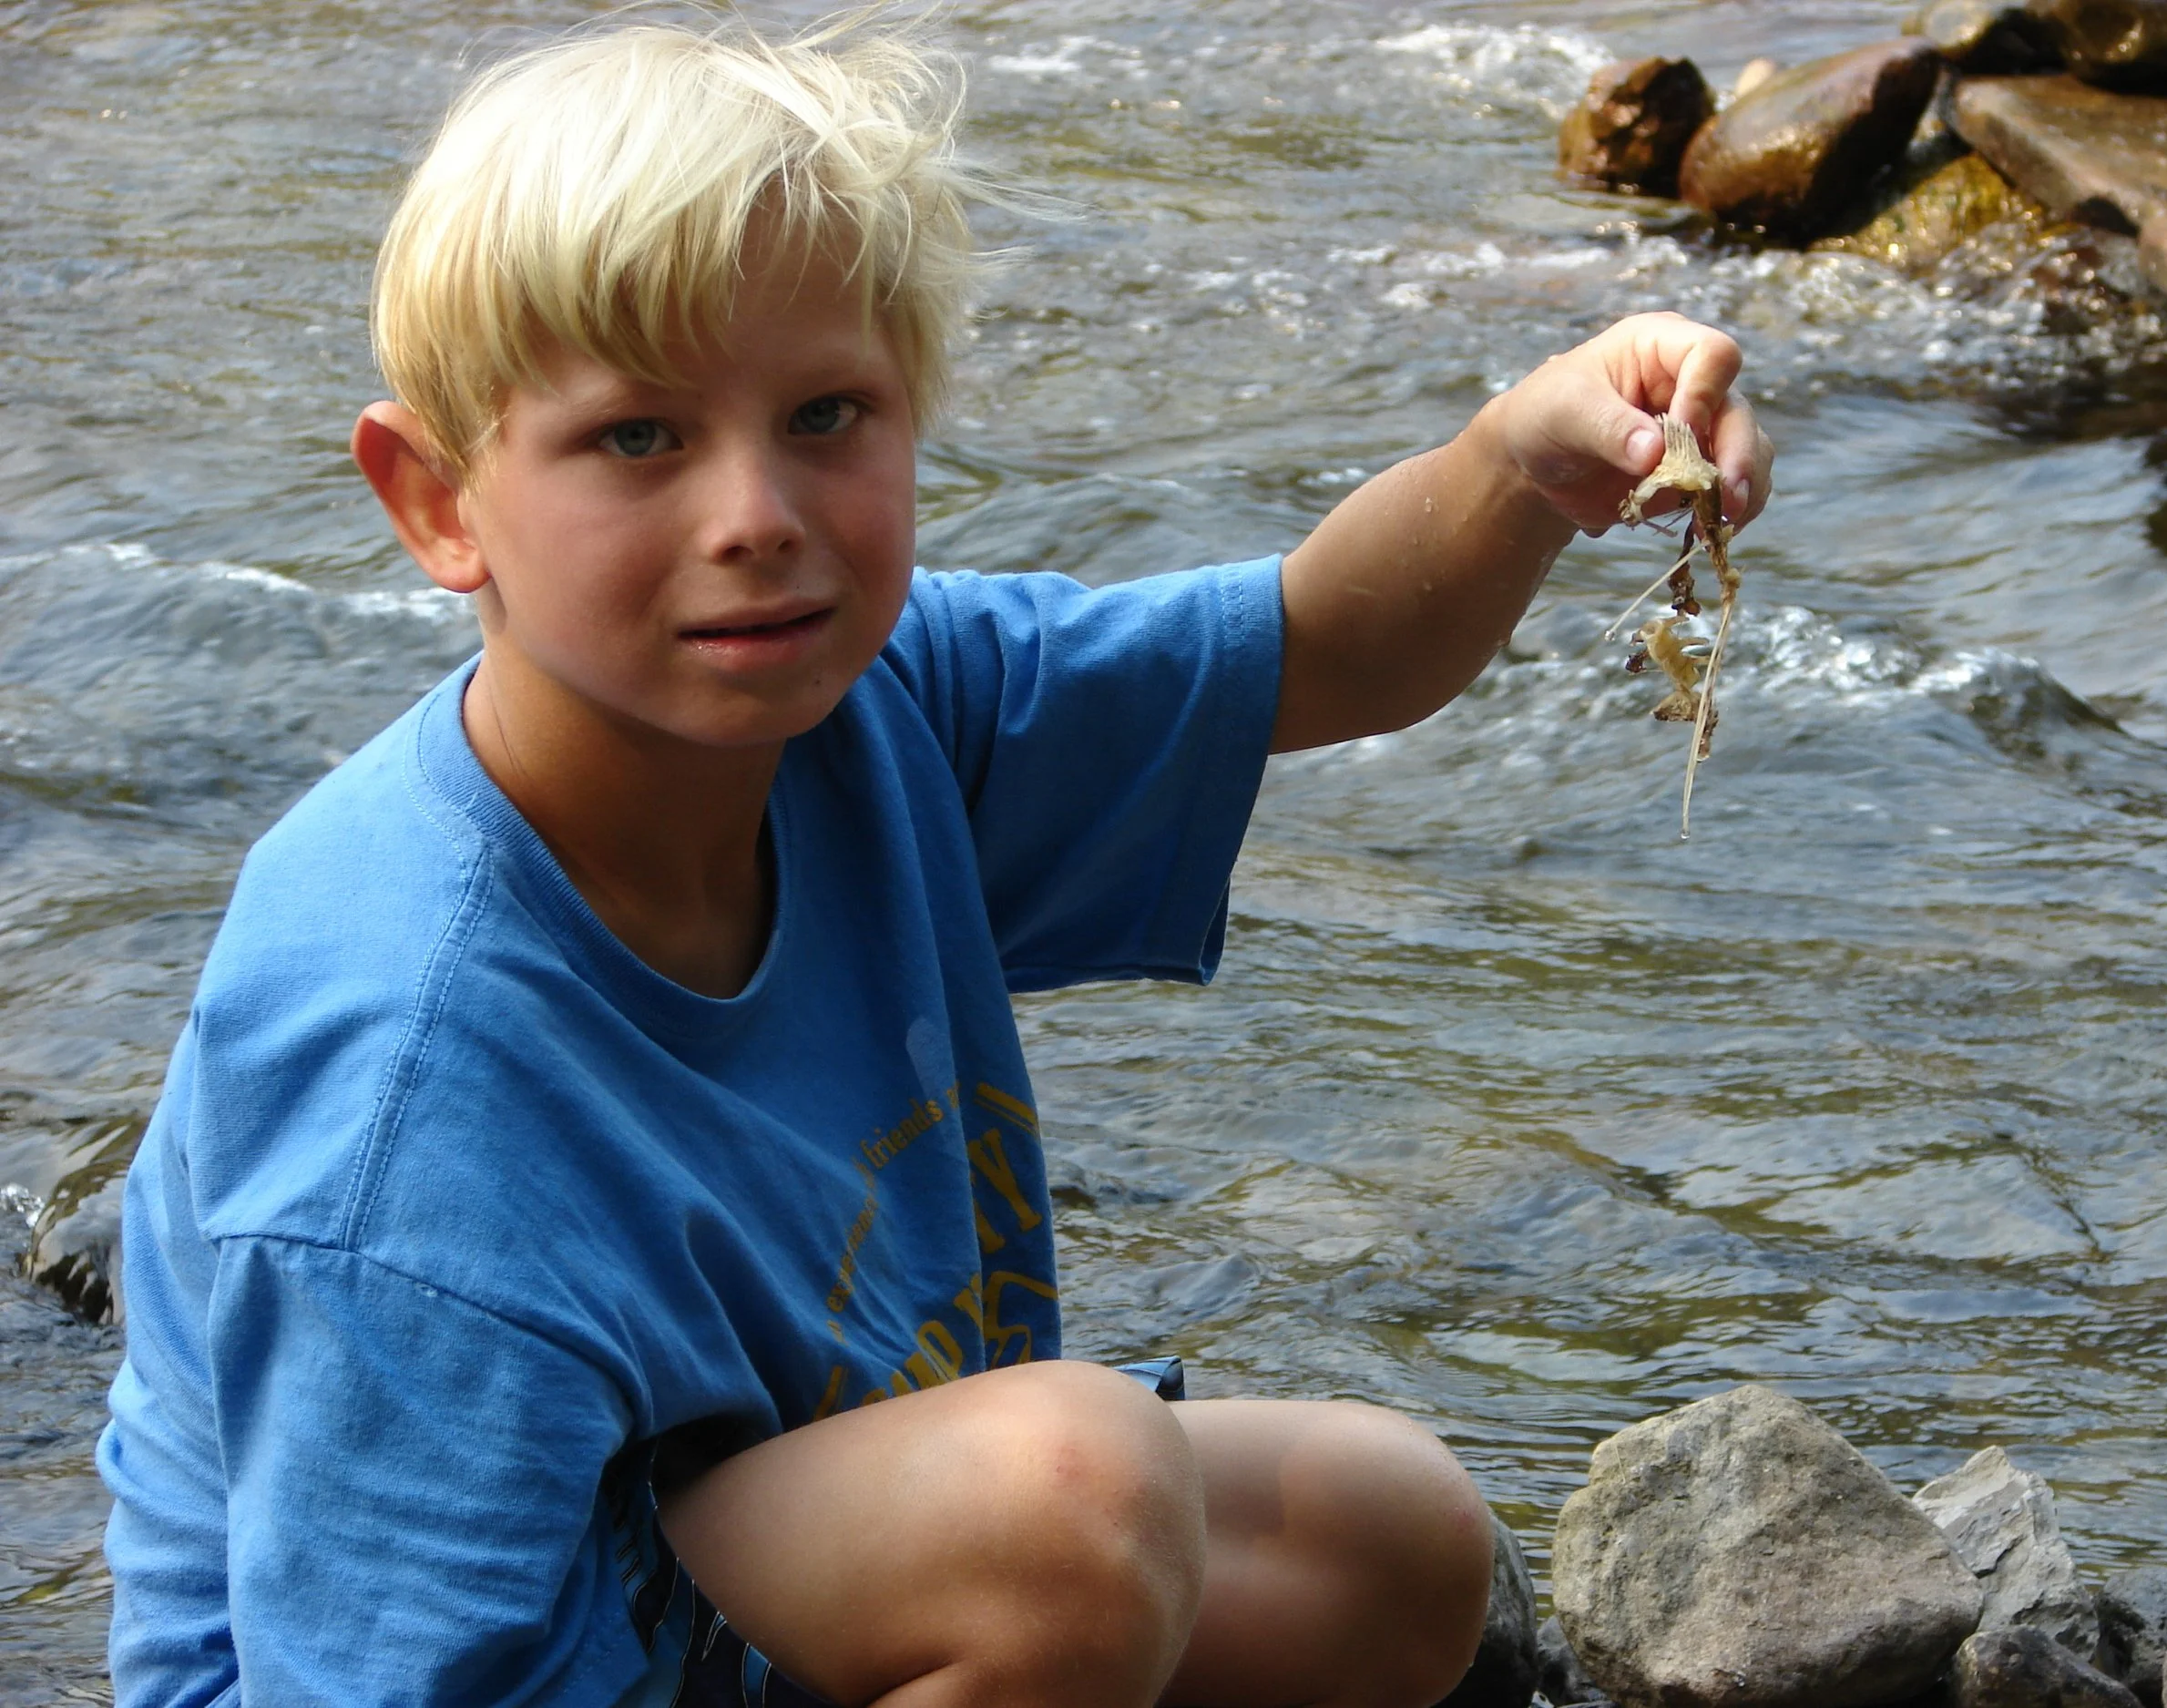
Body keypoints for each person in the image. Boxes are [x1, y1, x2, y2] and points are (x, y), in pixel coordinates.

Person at [97, 13, 1771, 1708]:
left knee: (1388, 1544)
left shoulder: (871, 706)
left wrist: (1521, 466)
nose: (757, 512)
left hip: (725, 1553)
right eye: (638, 438)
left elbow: (1325, 647)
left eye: (826, 413)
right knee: (1073, 1499)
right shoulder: (404, 1081)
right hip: (443, 1663)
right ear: (441, 502)